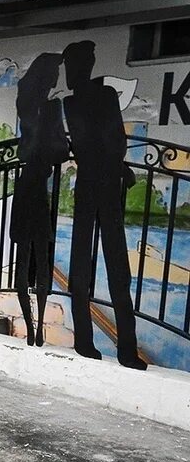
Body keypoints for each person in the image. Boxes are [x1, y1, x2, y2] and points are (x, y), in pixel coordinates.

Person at [62, 40, 146, 370]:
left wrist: (110, 162)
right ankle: (116, 348)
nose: (69, 73)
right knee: (107, 267)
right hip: (106, 184)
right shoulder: (95, 98)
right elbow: (111, 143)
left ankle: (92, 342)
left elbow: (94, 143)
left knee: (99, 266)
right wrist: (117, 165)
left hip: (96, 185)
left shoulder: (80, 101)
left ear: (85, 65)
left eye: (73, 66)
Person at [11, 53, 69, 347]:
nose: (58, 77)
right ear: (47, 75)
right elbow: (59, 150)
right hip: (40, 189)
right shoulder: (50, 107)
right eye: (55, 71)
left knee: (24, 258)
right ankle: (39, 327)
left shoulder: (25, 105)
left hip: (25, 186)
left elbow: (26, 148)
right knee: (42, 257)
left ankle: (31, 327)